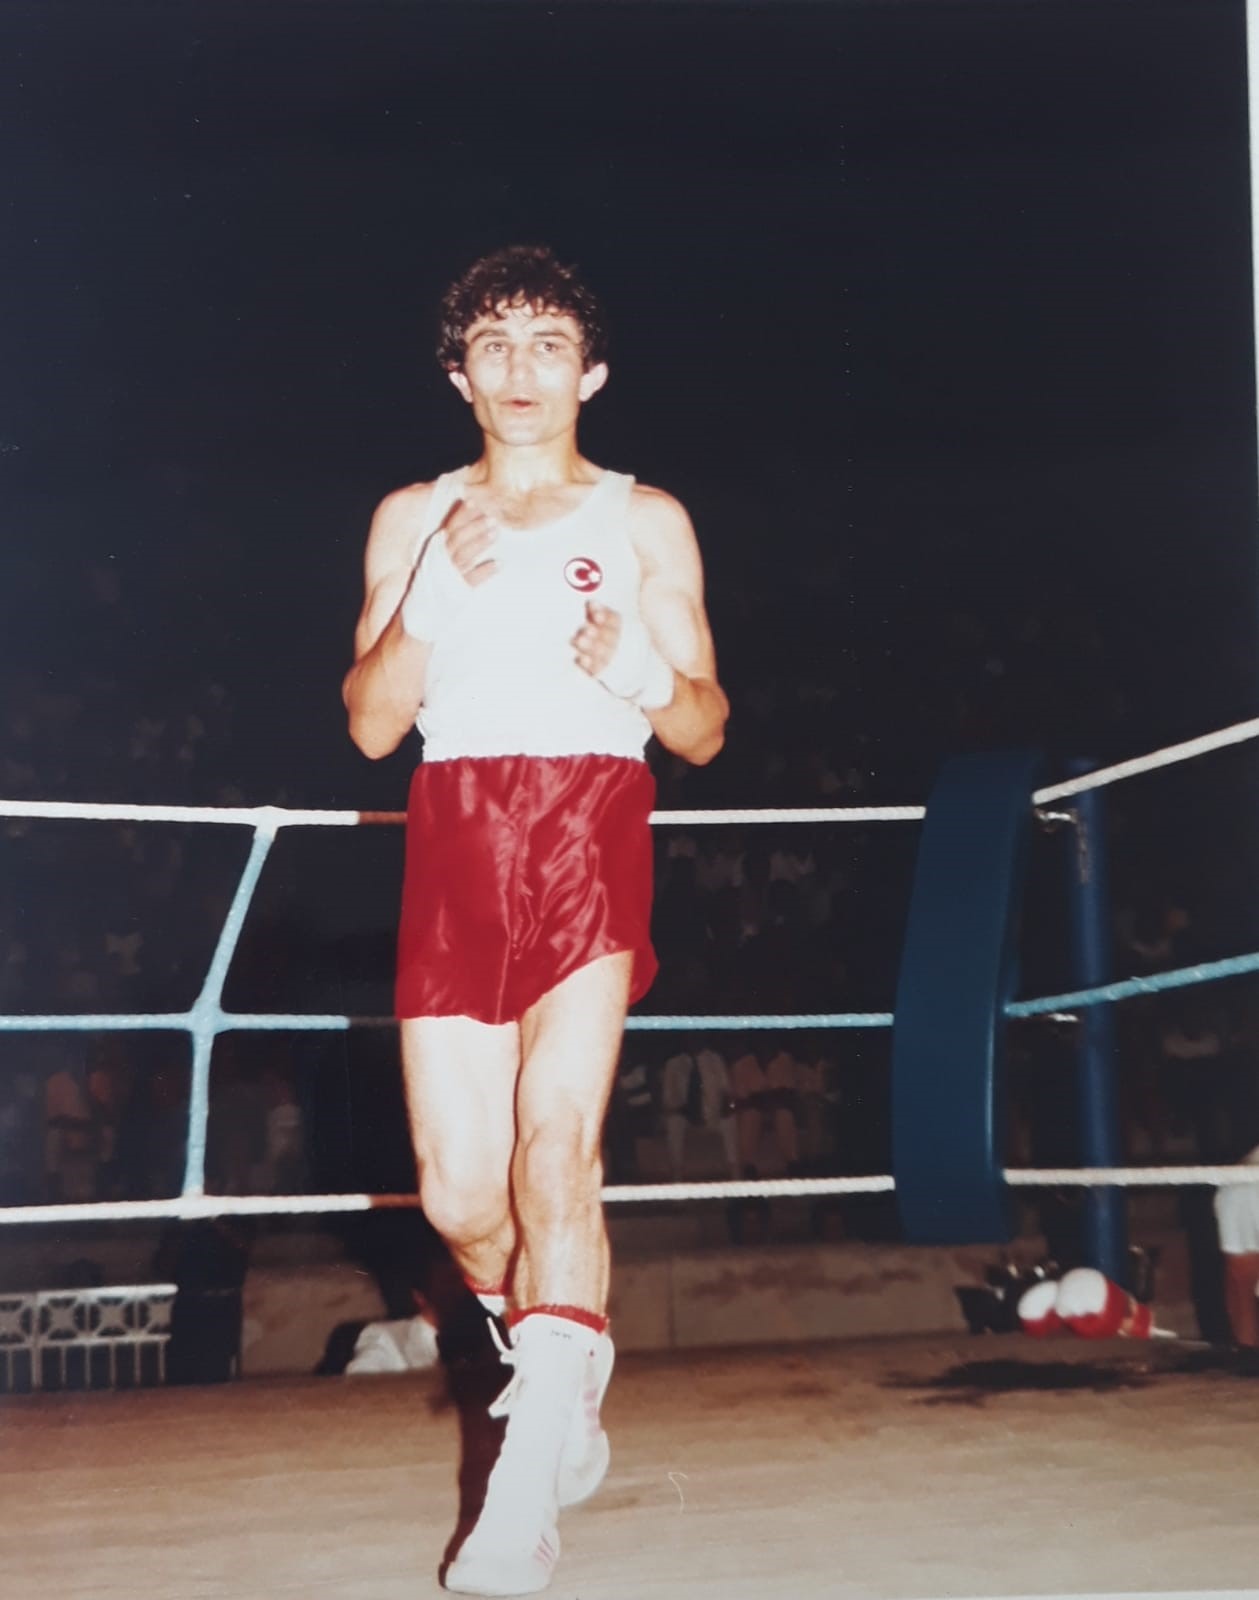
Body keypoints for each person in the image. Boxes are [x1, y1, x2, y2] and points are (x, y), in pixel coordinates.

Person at [342, 244, 728, 1596]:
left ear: (592, 372)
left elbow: (705, 729)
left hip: (587, 819)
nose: (521, 367)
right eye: (494, 343)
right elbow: (372, 724)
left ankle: (523, 1498)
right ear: (459, 373)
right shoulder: (413, 517)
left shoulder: (644, 518)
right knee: (461, 1193)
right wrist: (430, 606)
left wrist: (645, 675)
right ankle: (563, 1351)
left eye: (549, 341)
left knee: (559, 1141)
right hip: (455, 826)